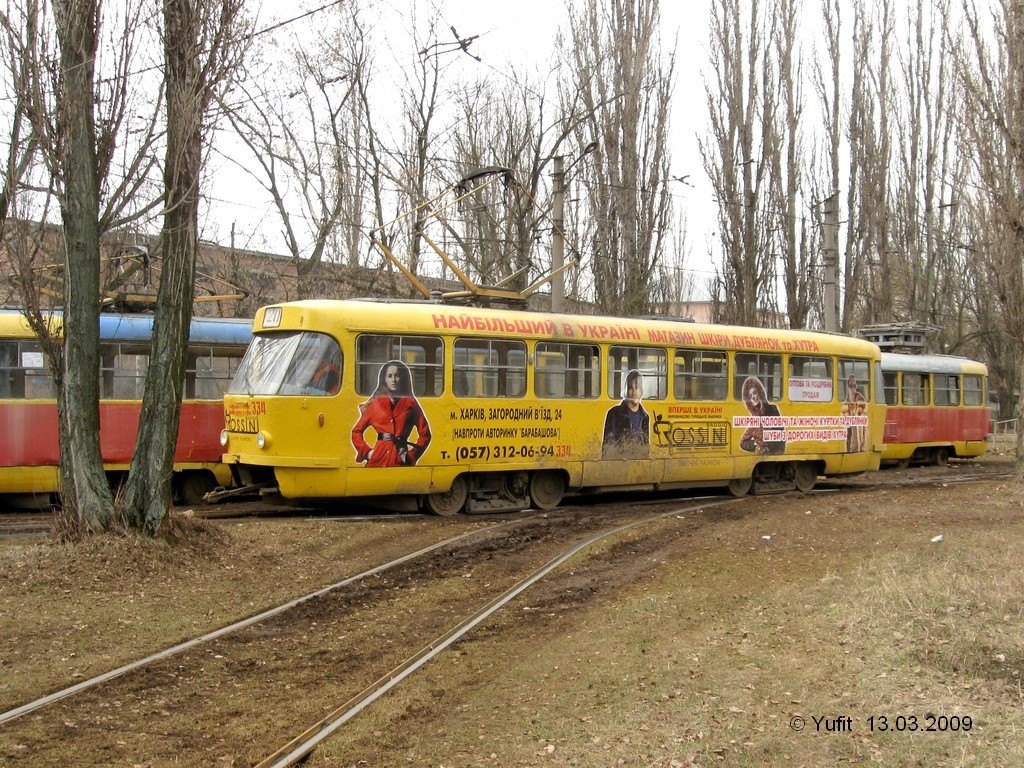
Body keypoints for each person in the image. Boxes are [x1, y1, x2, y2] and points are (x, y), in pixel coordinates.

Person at [351, 360, 431, 467]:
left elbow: (425, 434)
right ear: (385, 379)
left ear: (402, 378)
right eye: (389, 376)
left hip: (400, 460)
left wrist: (411, 456)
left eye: (397, 376)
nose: (393, 380)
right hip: (377, 460)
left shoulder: (411, 404)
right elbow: (356, 432)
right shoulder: (376, 404)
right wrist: (368, 452)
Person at [602, 369, 650, 458]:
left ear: (641, 390)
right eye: (631, 388)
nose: (634, 392)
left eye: (637, 388)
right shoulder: (614, 413)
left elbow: (645, 447)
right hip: (619, 463)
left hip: (638, 464)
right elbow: (607, 447)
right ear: (626, 391)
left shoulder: (645, 417)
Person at [739, 375, 786, 454]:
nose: (753, 397)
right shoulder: (754, 420)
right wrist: (755, 445)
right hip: (763, 455)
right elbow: (742, 443)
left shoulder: (772, 409)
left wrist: (766, 446)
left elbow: (780, 433)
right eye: (750, 396)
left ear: (759, 392)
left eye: (754, 393)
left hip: (776, 453)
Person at [842, 374, 868, 453]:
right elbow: (844, 413)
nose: (853, 389)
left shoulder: (859, 397)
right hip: (850, 429)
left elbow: (860, 411)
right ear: (848, 387)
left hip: (859, 431)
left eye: (854, 386)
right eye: (851, 386)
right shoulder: (846, 399)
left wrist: (851, 410)